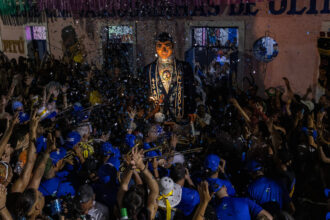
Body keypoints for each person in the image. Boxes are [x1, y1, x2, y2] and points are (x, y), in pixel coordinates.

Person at [143, 32, 196, 122]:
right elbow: (145, 93)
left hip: (179, 116)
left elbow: (191, 90)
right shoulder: (149, 70)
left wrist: (191, 110)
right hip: (156, 118)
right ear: (155, 48)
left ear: (173, 46)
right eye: (159, 46)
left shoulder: (184, 67)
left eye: (167, 45)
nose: (163, 50)